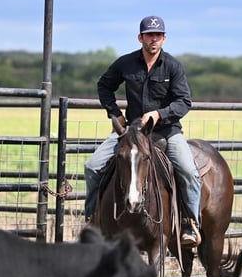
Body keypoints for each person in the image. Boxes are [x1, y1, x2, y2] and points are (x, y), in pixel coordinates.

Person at [83, 15, 202, 248]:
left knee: (189, 171)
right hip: (132, 133)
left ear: (164, 39)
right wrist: (113, 112)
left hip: (166, 132)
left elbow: (184, 101)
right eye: (149, 35)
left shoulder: (173, 67)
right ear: (141, 38)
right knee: (92, 166)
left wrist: (159, 114)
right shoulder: (125, 64)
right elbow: (104, 85)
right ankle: (93, 219)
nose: (153, 39)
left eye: (158, 35)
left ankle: (190, 223)